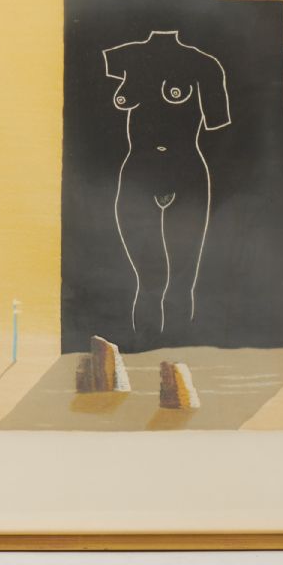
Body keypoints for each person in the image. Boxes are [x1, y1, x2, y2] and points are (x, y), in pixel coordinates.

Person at [103, 30, 230, 343]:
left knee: (182, 280)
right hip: (140, 170)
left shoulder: (205, 65)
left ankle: (178, 348)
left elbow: (217, 121)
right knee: (150, 279)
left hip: (186, 171)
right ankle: (145, 347)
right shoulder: (125, 55)